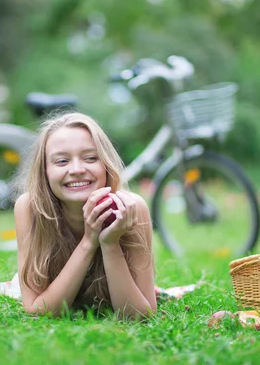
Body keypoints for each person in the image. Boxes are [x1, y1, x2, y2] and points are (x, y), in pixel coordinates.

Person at [14, 112, 156, 319]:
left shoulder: (132, 208)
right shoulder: (29, 208)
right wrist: (89, 242)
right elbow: (39, 311)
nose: (77, 169)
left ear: (105, 164)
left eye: (90, 158)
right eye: (62, 161)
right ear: (44, 171)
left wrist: (110, 244)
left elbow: (138, 316)